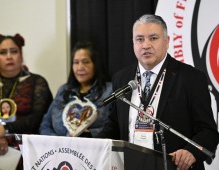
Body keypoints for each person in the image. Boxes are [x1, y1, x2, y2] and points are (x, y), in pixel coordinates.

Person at [97, 14, 219, 170]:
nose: (146, 45)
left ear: (167, 41)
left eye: (153, 38)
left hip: (174, 166)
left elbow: (208, 131)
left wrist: (191, 152)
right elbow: (113, 126)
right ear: (133, 43)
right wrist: (92, 147)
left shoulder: (191, 78)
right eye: (139, 39)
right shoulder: (121, 78)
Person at [0, 33, 53, 169]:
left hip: (25, 155)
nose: (9, 56)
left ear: (21, 55)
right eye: (2, 52)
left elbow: (39, 118)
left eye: (14, 51)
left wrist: (5, 130)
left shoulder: (37, 82)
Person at [39, 41, 112, 137]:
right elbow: (45, 126)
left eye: (86, 62)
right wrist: (59, 142)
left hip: (94, 149)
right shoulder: (63, 90)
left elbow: (114, 127)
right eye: (76, 62)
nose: (80, 67)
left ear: (96, 64)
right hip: (60, 149)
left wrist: (89, 135)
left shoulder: (109, 91)